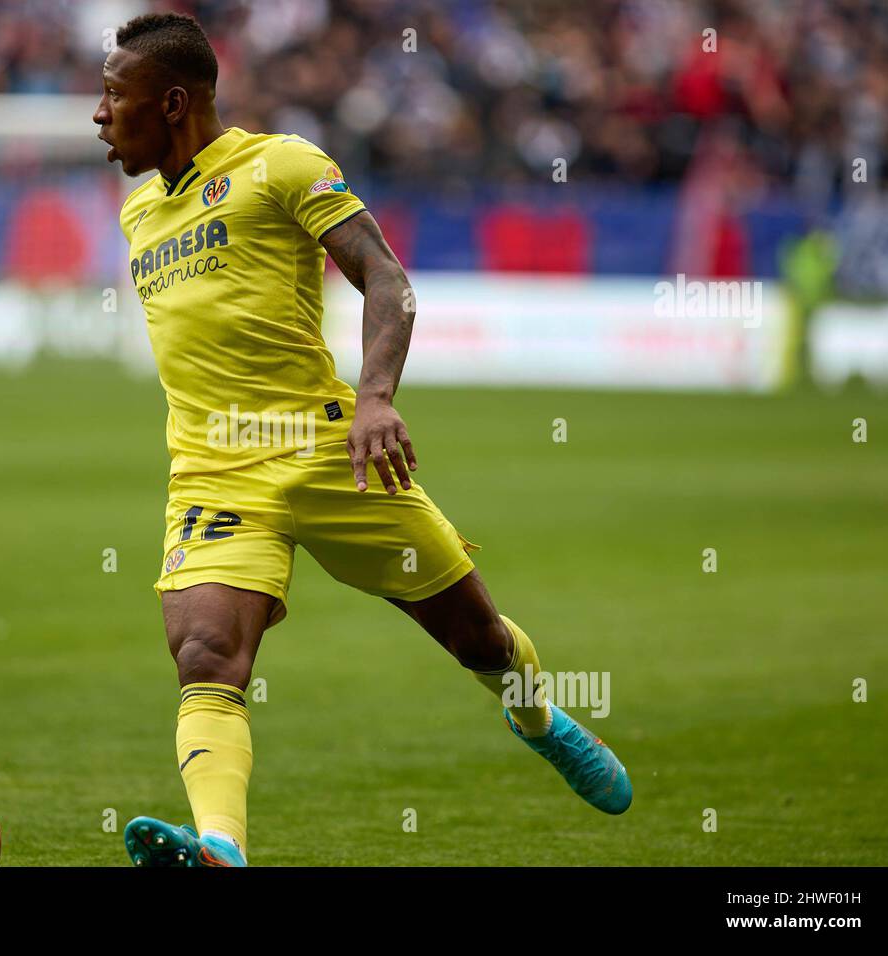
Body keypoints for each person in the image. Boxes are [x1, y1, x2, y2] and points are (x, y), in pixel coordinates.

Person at [93, 12, 631, 867]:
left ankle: (536, 713)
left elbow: (386, 276)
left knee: (478, 640)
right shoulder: (134, 216)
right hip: (214, 473)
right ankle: (221, 849)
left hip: (328, 453)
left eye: (112, 95)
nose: (97, 113)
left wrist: (376, 395)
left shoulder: (282, 165)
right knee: (206, 656)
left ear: (171, 102)